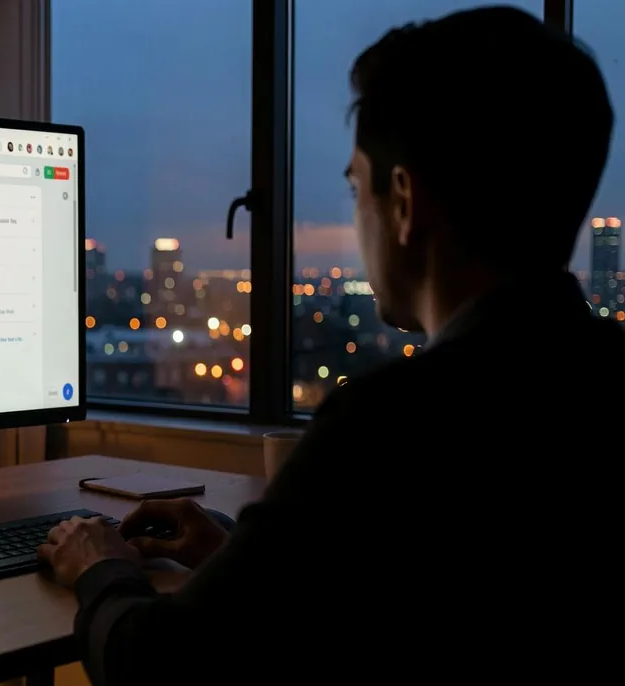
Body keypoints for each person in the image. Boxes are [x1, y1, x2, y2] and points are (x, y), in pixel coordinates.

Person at [38, 7, 622, 681]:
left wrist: (99, 565)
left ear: (402, 201)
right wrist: (243, 555)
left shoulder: (394, 424)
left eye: (354, 187)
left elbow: (162, 668)